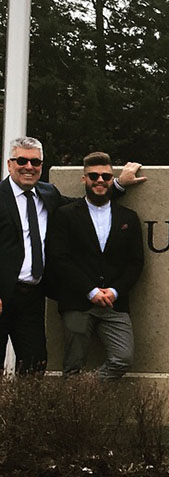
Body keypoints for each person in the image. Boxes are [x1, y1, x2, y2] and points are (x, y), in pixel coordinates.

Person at [1, 137, 144, 374]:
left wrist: (118, 184)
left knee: (34, 365)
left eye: (35, 161)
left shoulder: (48, 194)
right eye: (22, 160)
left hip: (32, 297)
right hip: (2, 295)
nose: (29, 166)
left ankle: (22, 411)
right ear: (9, 164)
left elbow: (88, 207)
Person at [45, 152, 146, 379]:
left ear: (112, 180)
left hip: (114, 304)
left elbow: (135, 262)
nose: (100, 180)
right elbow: (60, 258)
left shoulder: (128, 217)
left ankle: (82, 394)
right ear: (84, 179)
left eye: (106, 176)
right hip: (77, 301)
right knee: (73, 366)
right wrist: (90, 291)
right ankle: (75, 408)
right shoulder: (65, 215)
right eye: (93, 176)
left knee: (122, 359)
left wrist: (114, 291)